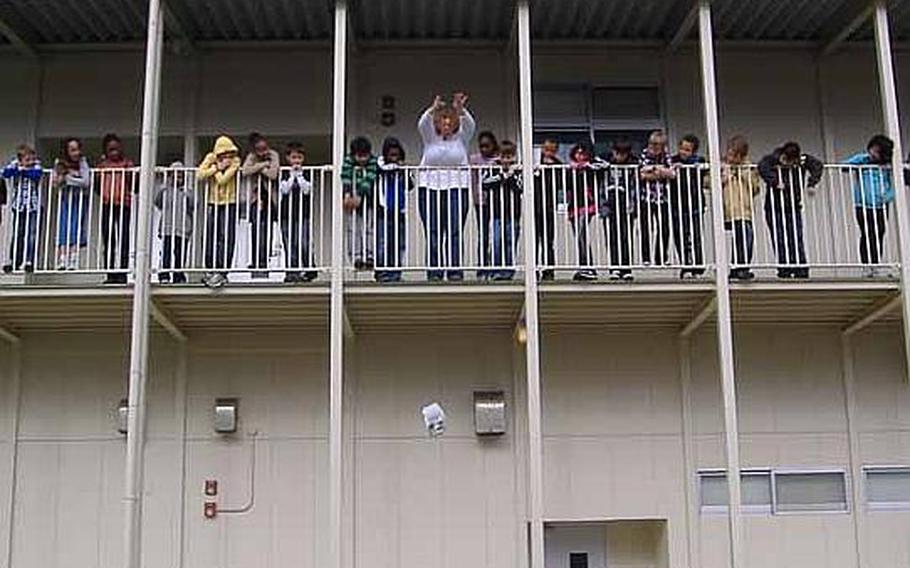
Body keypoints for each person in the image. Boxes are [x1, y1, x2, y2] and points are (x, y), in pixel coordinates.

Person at [417, 92, 476, 281]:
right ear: (437, 123)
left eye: (450, 121)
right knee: (433, 231)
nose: (447, 124)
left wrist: (460, 110)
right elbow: (422, 124)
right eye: (443, 120)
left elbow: (470, 125)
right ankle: (434, 273)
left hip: (457, 187)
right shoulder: (429, 139)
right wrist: (432, 109)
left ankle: (454, 272)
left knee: (454, 230)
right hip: (429, 188)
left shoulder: (461, 139)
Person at [758, 141, 824, 279]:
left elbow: (817, 165)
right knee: (780, 239)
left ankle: (800, 268)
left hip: (793, 206)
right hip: (774, 208)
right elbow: (762, 166)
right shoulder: (773, 158)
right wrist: (775, 181)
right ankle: (785, 269)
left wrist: (811, 183)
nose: (790, 165)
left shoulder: (802, 160)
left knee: (796, 238)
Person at [845, 135, 895, 274]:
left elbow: (893, 184)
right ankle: (866, 266)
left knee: (878, 234)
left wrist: (888, 196)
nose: (873, 153)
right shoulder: (863, 161)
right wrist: (861, 158)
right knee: (866, 234)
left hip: (881, 206)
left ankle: (875, 265)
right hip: (862, 205)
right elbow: (844, 166)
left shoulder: (887, 166)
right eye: (872, 149)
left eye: (877, 151)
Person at [197, 135, 242, 288]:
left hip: (230, 203)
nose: (227, 156)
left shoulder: (236, 160)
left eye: (230, 153)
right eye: (224, 153)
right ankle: (210, 270)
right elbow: (199, 175)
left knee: (227, 237)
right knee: (210, 236)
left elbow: (223, 180)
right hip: (213, 202)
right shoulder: (211, 157)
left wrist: (216, 170)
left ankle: (222, 272)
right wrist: (217, 167)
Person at [96, 133, 136, 284]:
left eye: (116, 149)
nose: (114, 152)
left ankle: (122, 273)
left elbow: (134, 184)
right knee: (109, 240)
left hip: (124, 204)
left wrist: (130, 172)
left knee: (123, 239)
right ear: (106, 151)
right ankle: (110, 273)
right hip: (108, 204)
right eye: (111, 149)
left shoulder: (127, 163)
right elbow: (97, 187)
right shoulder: (103, 165)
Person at [480, 140, 522, 281]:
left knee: (510, 242)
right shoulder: (492, 169)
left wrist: (511, 175)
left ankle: (507, 272)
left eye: (509, 157)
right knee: (497, 242)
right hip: (497, 214)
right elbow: (485, 184)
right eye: (503, 157)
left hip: (513, 214)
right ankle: (496, 270)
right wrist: (502, 176)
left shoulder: (518, 171)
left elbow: (520, 187)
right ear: (499, 156)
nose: (506, 160)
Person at [721, 136, 762, 281]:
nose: (730, 157)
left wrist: (743, 172)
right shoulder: (721, 166)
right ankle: (740, 267)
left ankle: (739, 268)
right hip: (729, 209)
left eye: (734, 154)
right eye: (729, 153)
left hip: (745, 210)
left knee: (746, 237)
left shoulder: (749, 168)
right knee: (744, 235)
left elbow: (756, 188)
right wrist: (726, 175)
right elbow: (708, 183)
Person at [241, 133, 281, 279]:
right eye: (259, 149)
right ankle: (256, 263)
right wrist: (262, 164)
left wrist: (260, 168)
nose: (263, 151)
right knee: (256, 231)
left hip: (270, 199)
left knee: (267, 231)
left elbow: (273, 174)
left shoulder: (273, 154)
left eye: (264, 147)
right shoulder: (252, 156)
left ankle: (264, 263)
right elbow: (245, 170)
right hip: (255, 200)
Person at [278, 142, 317, 284]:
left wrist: (299, 176)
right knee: (290, 244)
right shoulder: (283, 172)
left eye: (299, 158)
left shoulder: (307, 172)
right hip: (286, 215)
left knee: (304, 242)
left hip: (303, 214)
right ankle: (292, 272)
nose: (296, 161)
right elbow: (284, 189)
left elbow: (306, 189)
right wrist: (291, 176)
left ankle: (309, 269)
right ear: (288, 158)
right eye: (294, 157)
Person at [670, 134, 707, 279]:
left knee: (696, 235)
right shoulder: (673, 160)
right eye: (682, 148)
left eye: (687, 150)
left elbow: (706, 172)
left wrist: (694, 166)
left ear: (693, 151)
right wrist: (674, 168)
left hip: (695, 203)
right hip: (677, 204)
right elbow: (667, 170)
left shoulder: (699, 161)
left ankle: (698, 265)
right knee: (680, 236)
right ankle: (686, 264)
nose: (683, 152)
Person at [2, 144, 43, 273]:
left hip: (33, 205)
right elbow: (5, 173)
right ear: (20, 159)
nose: (30, 162)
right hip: (19, 206)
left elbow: (36, 174)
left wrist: (23, 170)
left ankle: (29, 260)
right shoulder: (15, 164)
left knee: (31, 235)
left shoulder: (36, 166)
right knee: (18, 234)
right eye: (27, 159)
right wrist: (17, 168)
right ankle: (14, 261)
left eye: (31, 158)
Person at [375, 137, 411, 283]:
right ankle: (382, 272)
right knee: (384, 242)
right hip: (384, 210)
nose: (394, 158)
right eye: (391, 155)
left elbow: (411, 184)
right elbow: (380, 167)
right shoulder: (380, 165)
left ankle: (395, 273)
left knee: (398, 243)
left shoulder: (402, 169)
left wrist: (402, 170)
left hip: (400, 211)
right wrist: (392, 166)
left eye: (396, 155)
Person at [601, 139, 638, 280]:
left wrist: (632, 205)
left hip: (625, 204)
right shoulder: (606, 161)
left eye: (623, 154)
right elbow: (596, 163)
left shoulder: (632, 164)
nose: (620, 156)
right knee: (612, 237)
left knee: (625, 236)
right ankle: (614, 267)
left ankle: (626, 267)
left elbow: (635, 185)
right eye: (617, 153)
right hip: (609, 204)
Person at [341, 136, 379, 270]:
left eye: (365, 156)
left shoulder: (374, 162)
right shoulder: (348, 161)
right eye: (359, 156)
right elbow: (345, 177)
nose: (362, 159)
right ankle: (356, 257)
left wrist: (359, 195)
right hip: (352, 201)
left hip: (369, 202)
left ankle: (370, 256)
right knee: (353, 229)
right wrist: (346, 195)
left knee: (369, 229)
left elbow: (370, 177)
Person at [566, 141, 602, 281]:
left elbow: (604, 166)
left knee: (582, 235)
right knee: (580, 238)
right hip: (573, 207)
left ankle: (588, 268)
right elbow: (565, 185)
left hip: (587, 205)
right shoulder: (570, 169)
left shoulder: (591, 166)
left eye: (583, 153)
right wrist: (573, 169)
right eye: (577, 152)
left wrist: (588, 165)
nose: (579, 156)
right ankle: (584, 267)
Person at [154, 162, 195, 284]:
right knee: (166, 251)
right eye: (175, 175)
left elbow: (193, 205)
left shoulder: (187, 191)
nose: (178, 178)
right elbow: (158, 202)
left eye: (181, 176)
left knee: (180, 252)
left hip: (183, 228)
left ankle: (179, 275)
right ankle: (164, 275)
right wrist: (164, 185)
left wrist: (186, 193)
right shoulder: (165, 190)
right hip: (167, 227)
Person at [639, 130, 675, 268]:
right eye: (653, 144)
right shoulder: (644, 154)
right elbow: (642, 174)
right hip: (646, 197)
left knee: (664, 227)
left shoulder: (666, 156)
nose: (655, 147)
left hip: (663, 198)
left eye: (659, 145)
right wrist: (658, 170)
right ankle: (646, 257)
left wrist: (654, 171)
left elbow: (672, 173)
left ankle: (661, 257)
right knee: (646, 228)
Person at [54, 137, 91, 271]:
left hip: (79, 198)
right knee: (64, 227)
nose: (76, 153)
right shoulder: (59, 162)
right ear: (67, 151)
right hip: (65, 198)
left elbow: (86, 182)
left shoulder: (82, 161)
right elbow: (56, 182)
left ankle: (73, 259)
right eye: (72, 150)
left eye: (78, 149)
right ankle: (62, 259)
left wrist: (68, 178)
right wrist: (74, 177)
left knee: (76, 227)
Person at [470, 131, 499, 279]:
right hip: (481, 202)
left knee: (496, 235)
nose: (484, 149)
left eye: (487, 146)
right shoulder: (475, 160)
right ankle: (483, 268)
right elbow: (474, 181)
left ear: (493, 145)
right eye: (481, 146)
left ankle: (496, 267)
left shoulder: (498, 160)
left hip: (497, 202)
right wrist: (476, 197)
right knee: (484, 235)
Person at [534, 139, 562, 281]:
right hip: (534, 206)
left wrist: (551, 169)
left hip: (549, 206)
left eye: (551, 150)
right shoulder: (534, 161)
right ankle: (533, 270)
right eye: (546, 149)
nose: (548, 153)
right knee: (534, 240)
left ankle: (548, 270)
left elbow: (561, 183)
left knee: (548, 240)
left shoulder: (557, 164)